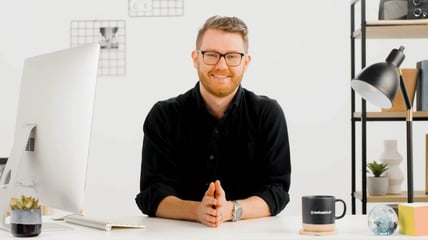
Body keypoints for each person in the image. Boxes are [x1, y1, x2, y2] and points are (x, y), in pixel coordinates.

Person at [135, 15, 291, 227]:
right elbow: (151, 194)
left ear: (246, 62)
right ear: (195, 58)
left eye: (232, 56)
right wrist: (197, 211)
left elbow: (277, 191)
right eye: (211, 55)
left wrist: (231, 210)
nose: (221, 65)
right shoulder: (163, 115)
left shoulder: (268, 114)